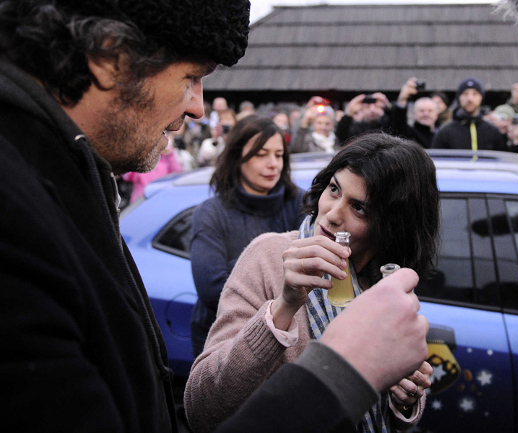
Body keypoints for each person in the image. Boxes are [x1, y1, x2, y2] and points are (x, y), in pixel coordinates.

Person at [1, 0, 431, 431]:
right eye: (191, 77)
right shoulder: (18, 212)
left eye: (359, 207)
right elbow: (202, 403)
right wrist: (343, 369)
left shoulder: (71, 181)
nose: (198, 108)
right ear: (112, 54)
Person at [185, 133, 439, 433]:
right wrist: (284, 306)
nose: (331, 214)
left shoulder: (386, 279)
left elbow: (376, 411)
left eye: (358, 208)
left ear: (390, 225)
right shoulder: (269, 257)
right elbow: (201, 408)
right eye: (333, 189)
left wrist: (405, 396)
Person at [190, 114, 306, 355]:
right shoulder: (211, 213)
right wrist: (277, 273)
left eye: (278, 155)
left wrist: (238, 268)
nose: (273, 164)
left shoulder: (299, 204)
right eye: (261, 154)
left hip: (291, 339)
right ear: (237, 157)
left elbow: (310, 274)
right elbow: (212, 289)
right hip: (225, 343)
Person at [432, 77, 507, 151]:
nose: (470, 98)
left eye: (475, 94)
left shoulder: (493, 132)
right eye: (465, 94)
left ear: (481, 98)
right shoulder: (444, 132)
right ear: (459, 98)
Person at [391, 77, 439, 148]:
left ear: (436, 114)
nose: (426, 114)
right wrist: (402, 99)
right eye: (421, 111)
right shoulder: (410, 134)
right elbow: (398, 126)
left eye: (430, 111)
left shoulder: (443, 133)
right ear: (415, 115)